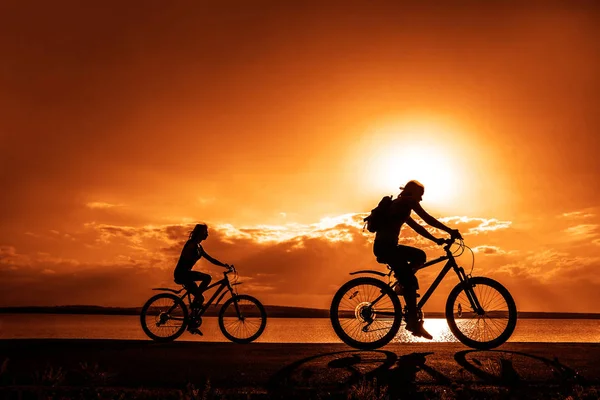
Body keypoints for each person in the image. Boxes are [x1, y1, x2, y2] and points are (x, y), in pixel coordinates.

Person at [373, 180, 462, 340]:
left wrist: (436, 240)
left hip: (385, 247)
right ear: (413, 193)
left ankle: (403, 285)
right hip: (387, 248)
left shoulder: (400, 205)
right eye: (420, 195)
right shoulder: (407, 202)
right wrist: (450, 230)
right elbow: (427, 219)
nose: (420, 199)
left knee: (419, 257)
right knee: (411, 281)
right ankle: (413, 322)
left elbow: (418, 227)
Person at [174, 223, 230, 335]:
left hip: (187, 274)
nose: (207, 234)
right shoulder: (191, 244)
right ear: (200, 233)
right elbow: (185, 259)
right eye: (206, 232)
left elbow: (211, 259)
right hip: (182, 274)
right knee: (207, 278)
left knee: (200, 298)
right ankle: (194, 311)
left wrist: (224, 265)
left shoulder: (199, 246)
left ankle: (192, 323)